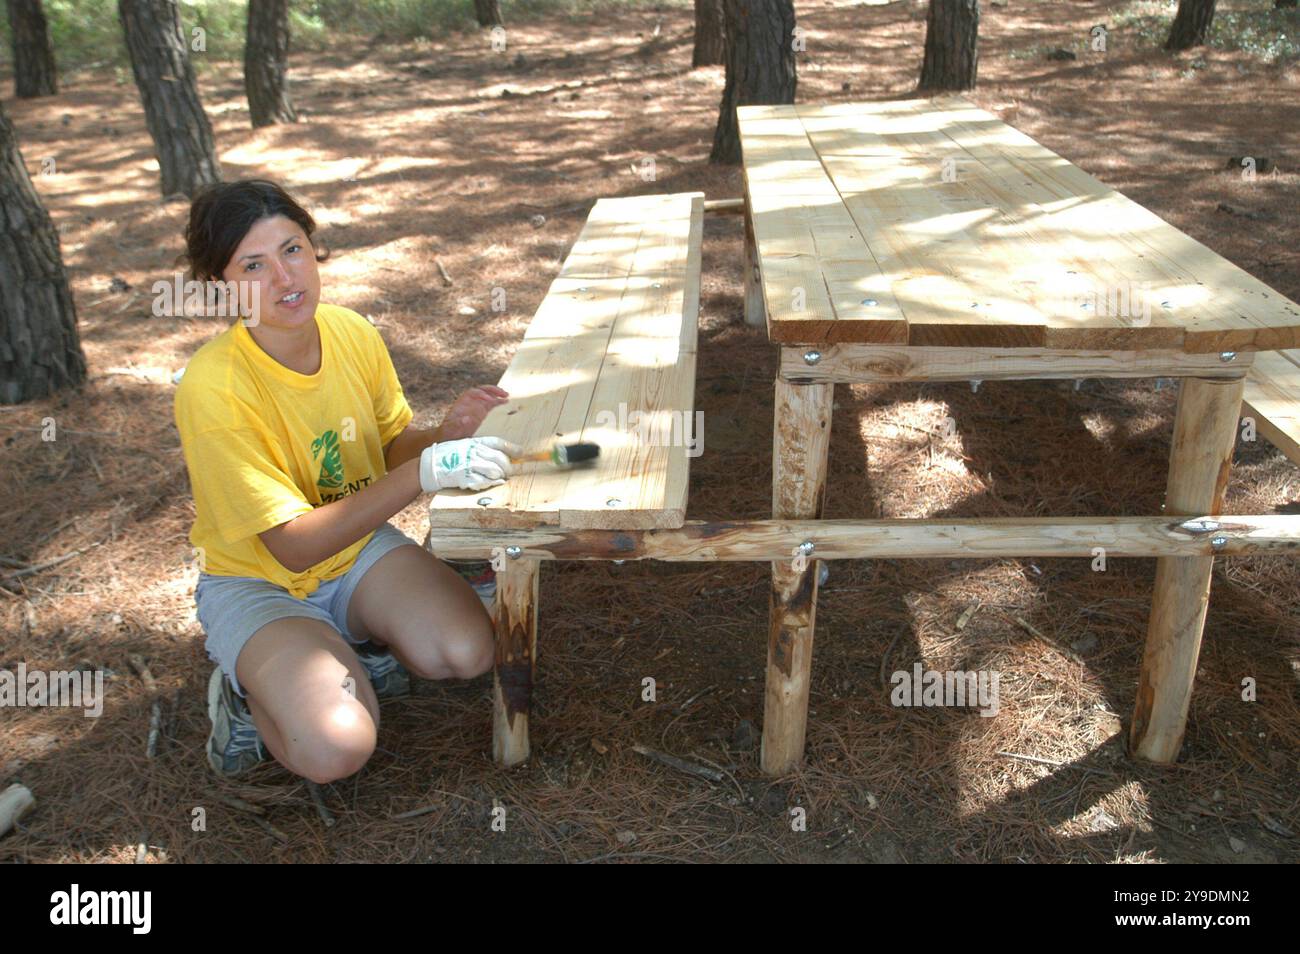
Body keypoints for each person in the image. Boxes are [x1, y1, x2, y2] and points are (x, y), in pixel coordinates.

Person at [172, 179, 520, 783]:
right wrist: (423, 471)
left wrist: (445, 433)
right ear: (218, 286)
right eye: (253, 264)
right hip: (260, 582)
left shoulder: (351, 332)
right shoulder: (213, 386)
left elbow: (388, 447)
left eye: (293, 249)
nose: (285, 278)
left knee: (467, 652)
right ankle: (245, 698)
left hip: (355, 554)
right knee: (336, 748)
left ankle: (355, 643)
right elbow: (292, 544)